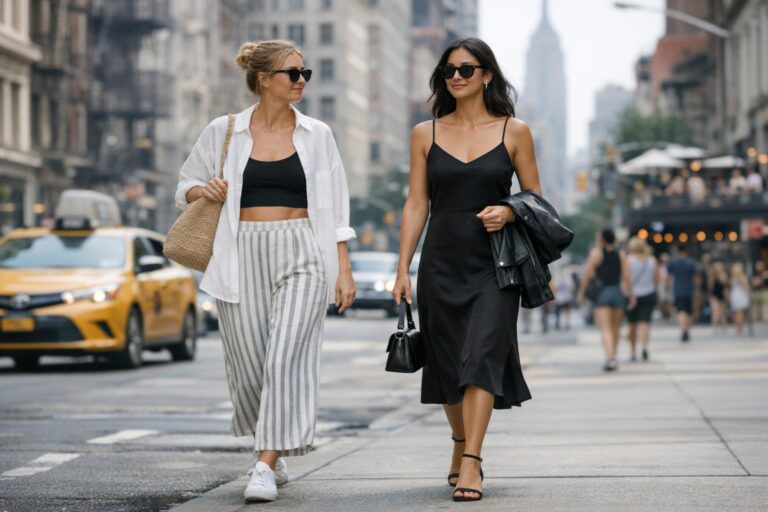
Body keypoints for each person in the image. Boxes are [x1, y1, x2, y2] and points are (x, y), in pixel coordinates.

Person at [174, 40, 356, 503]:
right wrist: (204, 191)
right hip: (238, 251)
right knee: (251, 368)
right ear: (262, 80)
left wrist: (343, 270)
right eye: (292, 73)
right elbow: (185, 184)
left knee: (285, 357)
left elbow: (336, 207)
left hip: (302, 250)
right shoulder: (225, 130)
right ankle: (276, 450)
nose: (301, 81)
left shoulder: (318, 134)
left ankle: (262, 463)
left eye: (304, 73)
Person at [392, 37, 538, 503]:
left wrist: (511, 212)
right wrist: (402, 269)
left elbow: (535, 199)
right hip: (439, 262)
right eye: (449, 70)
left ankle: (472, 460)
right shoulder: (424, 133)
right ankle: (459, 443)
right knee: (449, 363)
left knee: (481, 356)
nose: (456, 77)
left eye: (467, 69)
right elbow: (417, 204)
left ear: (487, 75)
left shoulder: (514, 132)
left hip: (494, 264)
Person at [578, 228, 636, 372]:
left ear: (602, 239)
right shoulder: (621, 254)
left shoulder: (596, 253)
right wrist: (632, 295)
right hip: (617, 292)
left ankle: (610, 358)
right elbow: (627, 276)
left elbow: (587, 275)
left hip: (602, 294)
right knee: (616, 328)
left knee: (605, 329)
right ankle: (614, 356)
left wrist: (581, 293)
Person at [626, 237, 659, 362]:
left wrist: (630, 293)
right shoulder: (652, 260)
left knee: (632, 324)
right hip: (648, 293)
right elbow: (657, 279)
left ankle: (633, 351)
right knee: (645, 322)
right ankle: (644, 347)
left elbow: (626, 279)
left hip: (632, 296)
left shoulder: (628, 260)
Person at [667, 245, 697, 342]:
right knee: (688, 312)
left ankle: (683, 330)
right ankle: (687, 330)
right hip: (689, 290)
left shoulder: (673, 263)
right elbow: (695, 278)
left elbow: (669, 277)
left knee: (680, 311)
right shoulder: (691, 262)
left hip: (678, 290)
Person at [730, 262, 751, 336]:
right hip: (740, 296)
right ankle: (739, 328)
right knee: (740, 313)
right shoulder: (742, 277)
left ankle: (738, 328)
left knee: (737, 313)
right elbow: (746, 287)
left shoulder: (733, 278)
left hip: (735, 295)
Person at [709, 261, 728, 335]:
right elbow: (710, 287)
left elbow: (725, 287)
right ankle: (715, 328)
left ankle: (724, 329)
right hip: (714, 296)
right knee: (715, 312)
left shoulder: (724, 276)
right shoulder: (712, 276)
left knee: (722, 313)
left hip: (721, 295)